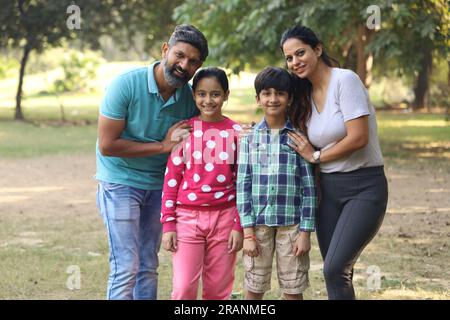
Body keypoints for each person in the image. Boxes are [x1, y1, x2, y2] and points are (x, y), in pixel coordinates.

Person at [95, 24, 208, 300]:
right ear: (165, 50)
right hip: (120, 181)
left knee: (148, 264)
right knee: (126, 265)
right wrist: (162, 146)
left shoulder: (189, 98)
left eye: (193, 62)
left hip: (159, 187)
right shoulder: (126, 85)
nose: (184, 65)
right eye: (179, 55)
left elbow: (208, 134)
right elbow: (107, 145)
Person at [280, 25, 388, 300]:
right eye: (289, 58)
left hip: (364, 187)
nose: (295, 62)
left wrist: (316, 156)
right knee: (337, 272)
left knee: (334, 268)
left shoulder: (345, 81)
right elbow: (286, 130)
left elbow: (358, 138)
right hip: (327, 192)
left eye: (300, 52)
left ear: (318, 48)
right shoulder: (303, 95)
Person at [160, 67, 243, 300]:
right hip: (187, 219)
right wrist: (168, 225)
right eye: (202, 94)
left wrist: (238, 226)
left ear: (226, 95)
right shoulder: (184, 132)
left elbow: (243, 184)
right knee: (184, 287)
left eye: (215, 94)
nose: (208, 100)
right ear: (194, 95)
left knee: (218, 289)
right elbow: (171, 181)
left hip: (225, 219)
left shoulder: (237, 133)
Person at [237, 67, 317, 300]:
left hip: (291, 226)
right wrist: (248, 233)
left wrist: (305, 232)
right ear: (258, 99)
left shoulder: (298, 138)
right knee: (254, 286)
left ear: (289, 98)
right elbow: (243, 185)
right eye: (267, 93)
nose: (273, 99)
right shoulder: (250, 139)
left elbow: (309, 189)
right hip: (258, 226)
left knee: (293, 289)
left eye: (280, 93)